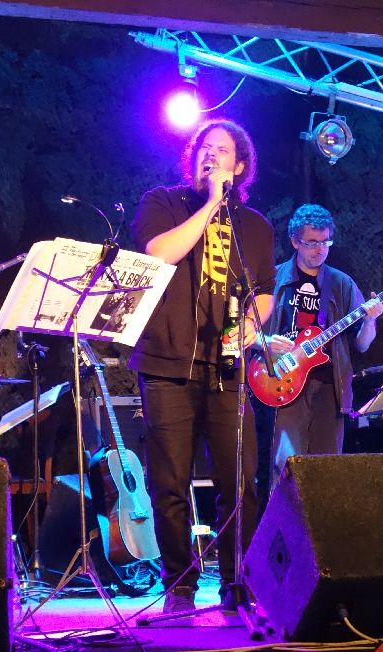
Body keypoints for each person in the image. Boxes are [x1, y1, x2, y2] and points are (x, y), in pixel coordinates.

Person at [131, 119, 276, 614]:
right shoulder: (163, 203)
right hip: (167, 363)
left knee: (240, 481)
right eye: (204, 149)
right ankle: (180, 585)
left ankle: (239, 582)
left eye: (222, 151)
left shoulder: (255, 226)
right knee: (169, 482)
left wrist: (254, 324)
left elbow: (264, 291)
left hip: (228, 368)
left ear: (241, 166)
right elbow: (159, 254)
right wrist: (212, 203)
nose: (211, 156)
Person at [260, 204, 383, 484]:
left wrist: (370, 321)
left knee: (327, 470)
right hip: (284, 381)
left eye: (326, 242)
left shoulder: (341, 283)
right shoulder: (274, 279)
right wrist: (266, 345)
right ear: (295, 242)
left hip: (330, 386)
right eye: (312, 242)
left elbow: (363, 345)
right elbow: (251, 333)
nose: (320, 249)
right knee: (285, 467)